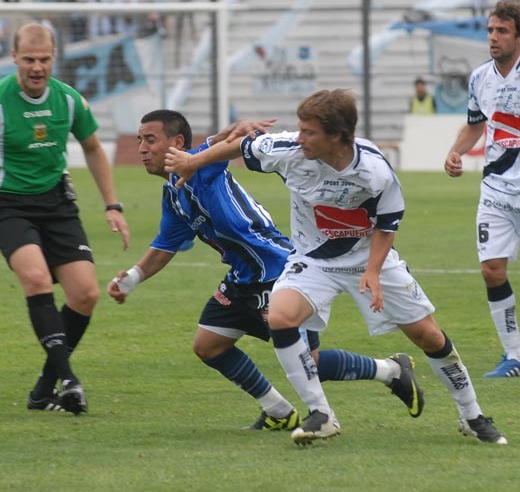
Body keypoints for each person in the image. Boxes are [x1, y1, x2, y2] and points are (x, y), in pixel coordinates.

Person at [165, 89, 507, 445]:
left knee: (428, 336)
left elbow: (387, 224)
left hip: (367, 257)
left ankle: (473, 415)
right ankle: (322, 415)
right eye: (299, 129)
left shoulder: (374, 170)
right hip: (313, 260)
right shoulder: (290, 151)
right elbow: (244, 146)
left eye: (309, 132)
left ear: (338, 136)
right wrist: (193, 162)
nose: (300, 138)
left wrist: (373, 271)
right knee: (281, 316)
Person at [108, 109, 425, 431]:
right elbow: (165, 245)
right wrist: (131, 279)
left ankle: (390, 371)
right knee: (209, 345)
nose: (142, 149)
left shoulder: (201, 165)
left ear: (177, 143)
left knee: (306, 361)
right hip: (242, 277)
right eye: (139, 141)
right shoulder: (174, 193)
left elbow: (222, 143)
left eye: (150, 140)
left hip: (275, 269)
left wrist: (234, 129)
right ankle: (278, 410)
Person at [0, 23, 130, 415]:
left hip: (57, 204)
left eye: (44, 59)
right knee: (36, 278)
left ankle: (43, 390)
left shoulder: (68, 101)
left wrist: (113, 205)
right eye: (28, 59)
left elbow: (94, 148)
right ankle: (69, 380)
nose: (37, 67)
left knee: (86, 294)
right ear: (13, 58)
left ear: (54, 58)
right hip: (6, 204)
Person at [445, 0, 520, 379]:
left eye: (502, 31)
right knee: (492, 270)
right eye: (490, 30)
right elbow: (475, 124)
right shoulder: (479, 78)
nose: (493, 37)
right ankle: (514, 356)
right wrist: (456, 151)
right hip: (496, 190)